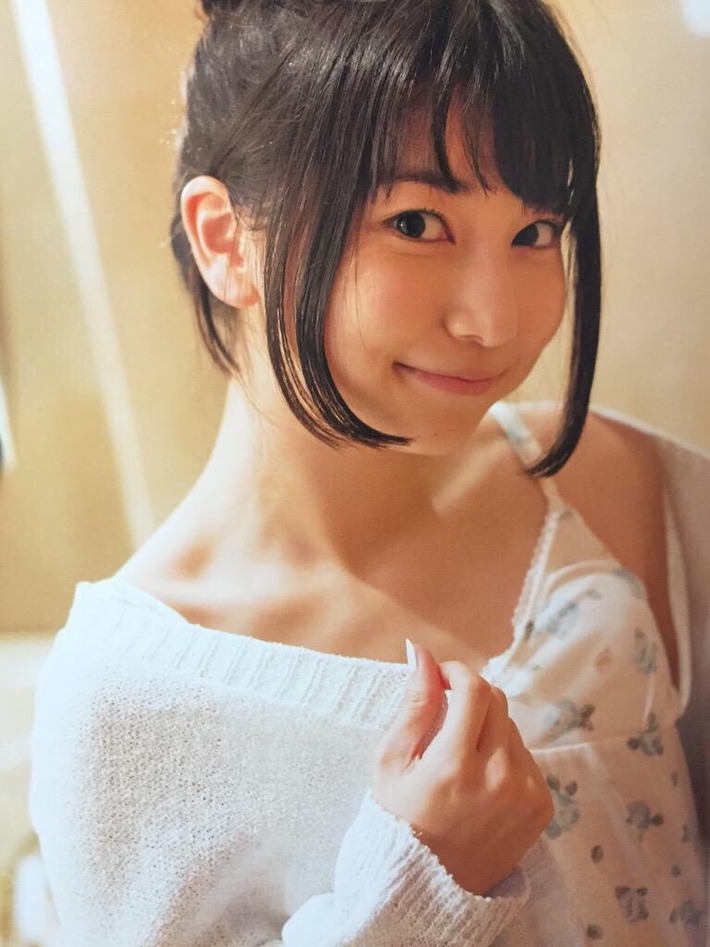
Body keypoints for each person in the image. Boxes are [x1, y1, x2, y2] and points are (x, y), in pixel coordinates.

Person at [28, 0, 707, 944]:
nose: (494, 321)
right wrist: (417, 887)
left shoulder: (600, 479)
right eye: (418, 222)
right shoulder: (125, 703)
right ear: (225, 239)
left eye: (534, 231)